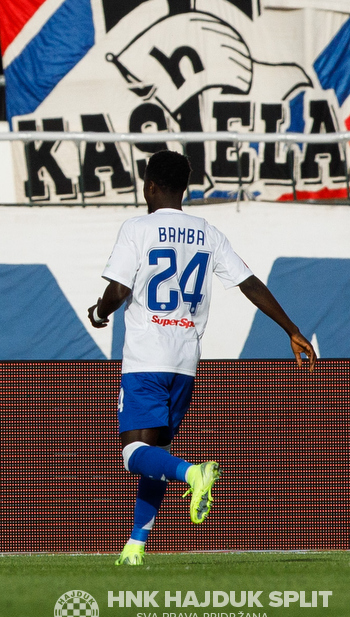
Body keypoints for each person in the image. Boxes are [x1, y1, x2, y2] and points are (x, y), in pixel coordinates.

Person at [85, 150, 316, 566]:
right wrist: (291, 329)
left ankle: (194, 473)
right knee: (157, 451)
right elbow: (249, 283)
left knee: (133, 454)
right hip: (186, 360)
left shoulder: (137, 228)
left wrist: (99, 312)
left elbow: (118, 292)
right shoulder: (207, 232)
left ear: (150, 186)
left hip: (146, 357)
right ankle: (135, 546)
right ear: (185, 189)